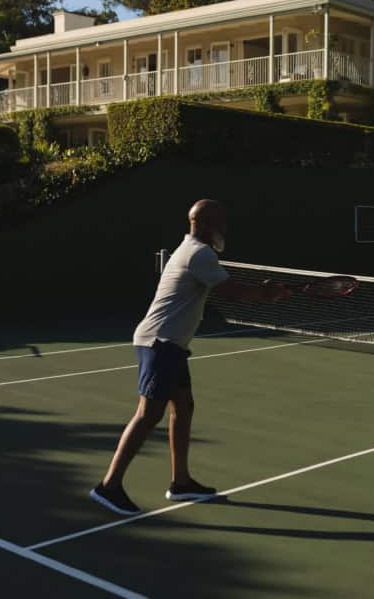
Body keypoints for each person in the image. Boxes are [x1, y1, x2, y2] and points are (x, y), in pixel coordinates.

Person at [90, 199, 289, 515]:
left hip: (171, 344)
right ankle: (109, 486)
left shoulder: (187, 248)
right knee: (148, 414)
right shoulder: (200, 253)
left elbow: (230, 288)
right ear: (207, 223)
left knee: (183, 407)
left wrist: (264, 292)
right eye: (220, 221)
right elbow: (231, 292)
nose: (224, 228)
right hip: (160, 343)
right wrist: (266, 294)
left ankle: (180, 483)